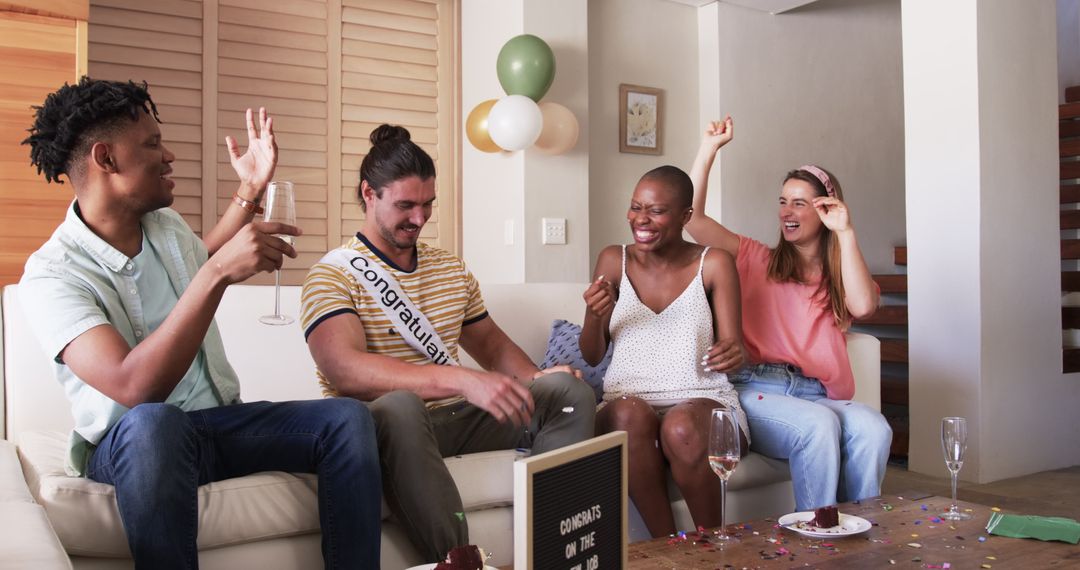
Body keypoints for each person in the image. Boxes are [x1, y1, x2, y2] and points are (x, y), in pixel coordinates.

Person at [19, 78, 382, 569]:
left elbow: (200, 259)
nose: (168, 155)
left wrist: (250, 189)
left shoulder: (162, 227)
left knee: (347, 419)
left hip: (216, 424)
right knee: (154, 422)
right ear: (106, 158)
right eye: (151, 143)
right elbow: (133, 385)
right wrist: (217, 273)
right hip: (133, 444)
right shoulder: (53, 275)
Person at [300, 124, 596, 562]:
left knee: (567, 393)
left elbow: (492, 348)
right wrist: (462, 380)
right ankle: (461, 561)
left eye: (427, 205)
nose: (419, 219)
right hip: (386, 427)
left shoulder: (450, 269)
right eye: (405, 205)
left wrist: (536, 378)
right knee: (400, 405)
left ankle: (552, 548)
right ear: (369, 194)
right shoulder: (332, 275)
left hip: (456, 419)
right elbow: (346, 371)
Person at [685, 117, 893, 511]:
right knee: (817, 426)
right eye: (783, 201)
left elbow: (864, 305)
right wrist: (708, 150)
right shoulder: (753, 257)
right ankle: (818, 542)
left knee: (874, 428)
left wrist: (846, 233)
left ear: (825, 210)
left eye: (799, 202)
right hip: (756, 390)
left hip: (816, 394)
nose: (787, 211)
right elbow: (691, 219)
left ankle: (861, 538)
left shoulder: (839, 272)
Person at [578, 164, 749, 539]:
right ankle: (668, 547)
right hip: (627, 401)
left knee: (681, 426)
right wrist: (594, 315)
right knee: (628, 414)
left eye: (656, 211)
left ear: (686, 216)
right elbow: (591, 354)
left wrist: (733, 352)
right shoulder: (613, 260)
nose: (642, 219)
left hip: (702, 398)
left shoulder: (714, 263)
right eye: (636, 207)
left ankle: (710, 547)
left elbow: (735, 347)